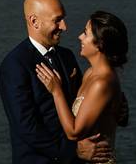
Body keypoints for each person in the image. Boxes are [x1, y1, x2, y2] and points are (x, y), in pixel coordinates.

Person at [0, 0, 121, 163]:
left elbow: (85, 101)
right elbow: (26, 127)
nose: (64, 26)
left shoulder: (66, 56)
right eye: (57, 20)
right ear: (34, 21)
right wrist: (74, 151)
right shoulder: (15, 65)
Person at [35, 10, 127, 164]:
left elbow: (74, 132)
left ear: (100, 44)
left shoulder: (102, 83)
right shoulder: (90, 73)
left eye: (85, 33)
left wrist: (56, 91)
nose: (80, 37)